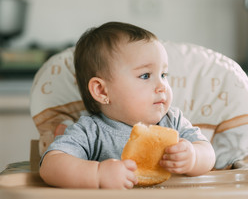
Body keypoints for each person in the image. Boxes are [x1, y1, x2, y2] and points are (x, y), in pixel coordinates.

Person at [39, 22, 216, 189]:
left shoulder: (173, 121)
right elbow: (51, 165)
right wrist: (98, 175)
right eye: (146, 75)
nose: (162, 85)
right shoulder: (91, 131)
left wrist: (193, 157)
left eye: (163, 74)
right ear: (102, 91)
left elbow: (208, 153)